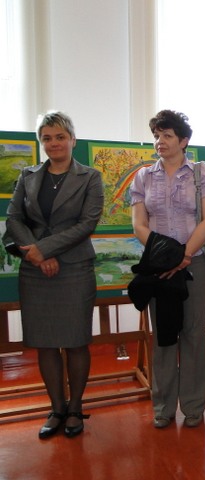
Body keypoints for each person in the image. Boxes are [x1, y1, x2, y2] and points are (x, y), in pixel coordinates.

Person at [4, 111, 104, 438]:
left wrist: (45, 249)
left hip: (74, 268)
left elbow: (87, 223)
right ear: (41, 142)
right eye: (47, 138)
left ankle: (75, 408)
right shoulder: (28, 175)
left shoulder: (90, 177)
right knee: (45, 343)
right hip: (35, 270)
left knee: (75, 341)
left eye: (60, 137)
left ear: (72, 139)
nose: (54, 143)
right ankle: (57, 408)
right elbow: (14, 218)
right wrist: (36, 253)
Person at [130, 110, 205, 428]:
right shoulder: (143, 177)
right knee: (164, 334)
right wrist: (166, 256)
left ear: (183, 141)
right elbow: (139, 224)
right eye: (156, 135)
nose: (160, 141)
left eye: (167, 135)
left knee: (193, 333)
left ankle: (193, 406)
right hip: (159, 265)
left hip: (195, 262)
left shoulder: (200, 172)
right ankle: (163, 406)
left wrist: (184, 254)